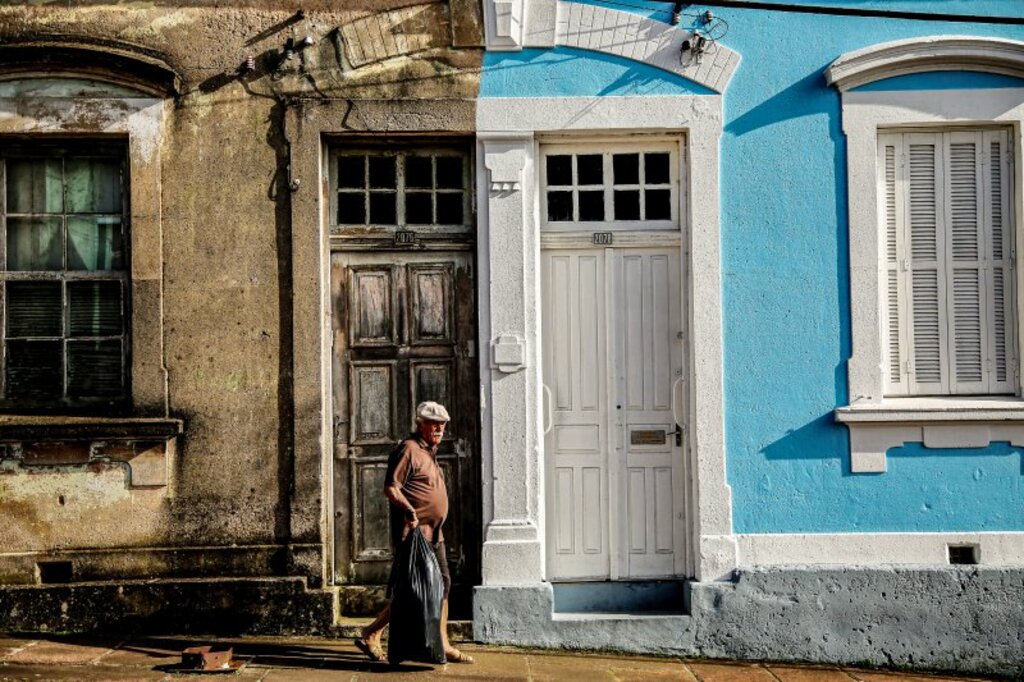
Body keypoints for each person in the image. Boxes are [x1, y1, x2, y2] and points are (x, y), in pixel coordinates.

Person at [354, 401, 474, 665]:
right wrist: (409, 510)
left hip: (435, 533)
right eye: (434, 423)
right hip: (415, 534)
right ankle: (372, 633)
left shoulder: (429, 451)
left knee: (442, 583)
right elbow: (391, 488)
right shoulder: (408, 450)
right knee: (412, 591)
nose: (439, 428)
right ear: (420, 423)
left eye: (442, 424)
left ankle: (442, 644)